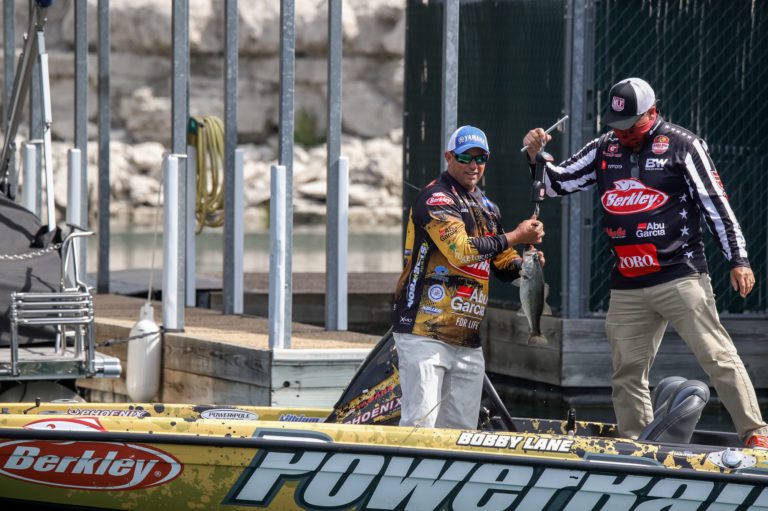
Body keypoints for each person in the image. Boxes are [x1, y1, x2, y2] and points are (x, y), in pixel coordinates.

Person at [522, 77, 768, 448]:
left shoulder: (684, 145)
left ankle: (756, 435)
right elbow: (556, 184)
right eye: (616, 126)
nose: (623, 134)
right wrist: (534, 156)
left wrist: (738, 259)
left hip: (680, 275)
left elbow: (717, 204)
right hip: (627, 284)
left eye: (631, 126)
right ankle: (639, 446)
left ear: (652, 113)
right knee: (627, 372)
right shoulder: (604, 148)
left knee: (718, 356)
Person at [391, 125, 545, 430]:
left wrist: (527, 266)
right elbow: (460, 251)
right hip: (424, 332)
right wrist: (515, 235)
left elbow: (500, 263)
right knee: (419, 427)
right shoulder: (436, 198)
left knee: (462, 432)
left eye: (481, 158)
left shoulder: (489, 209)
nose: (473, 165)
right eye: (465, 157)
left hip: (467, 339)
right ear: (449, 157)